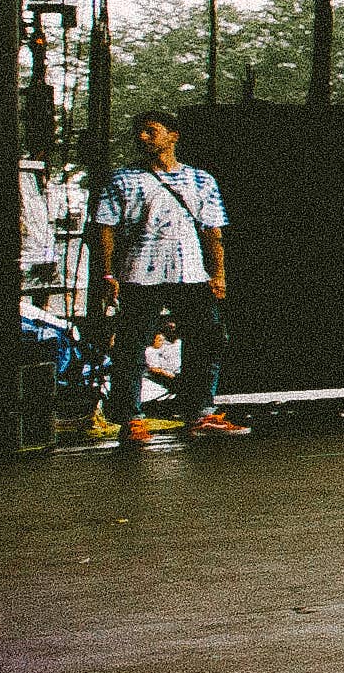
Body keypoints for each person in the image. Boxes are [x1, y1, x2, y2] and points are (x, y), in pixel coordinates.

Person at [89, 111, 239, 443]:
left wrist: (218, 274)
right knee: (132, 344)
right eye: (139, 132)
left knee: (208, 338)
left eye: (150, 131)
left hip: (189, 270)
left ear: (173, 136)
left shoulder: (202, 181)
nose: (142, 137)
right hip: (140, 269)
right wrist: (108, 273)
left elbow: (213, 232)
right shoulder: (123, 180)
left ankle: (200, 411)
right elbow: (106, 229)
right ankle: (130, 417)